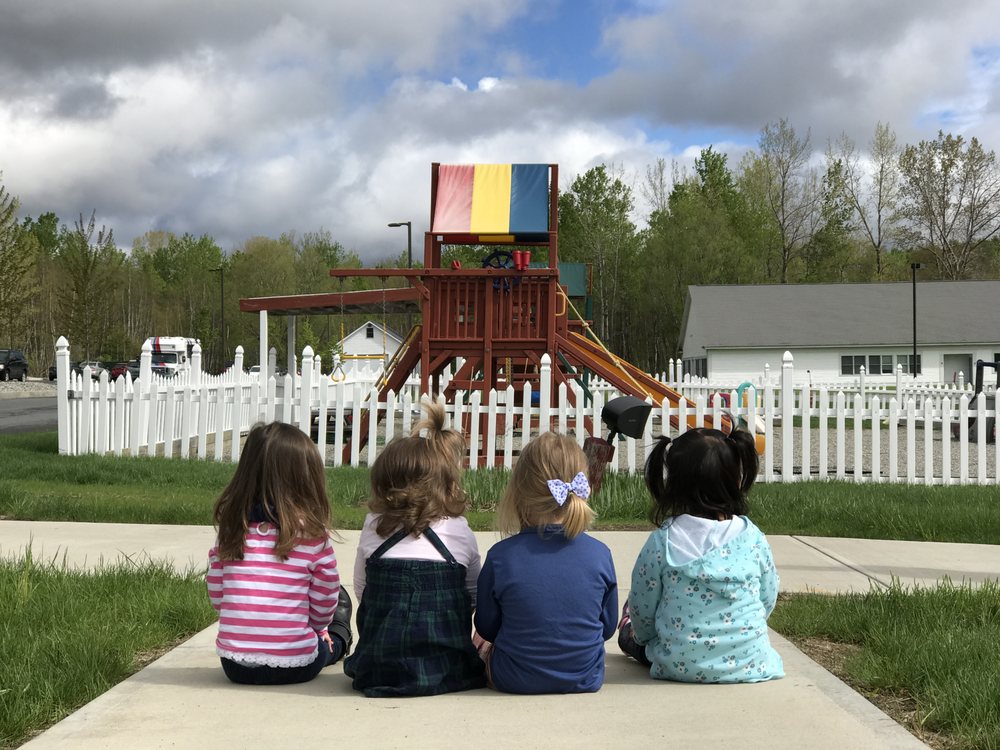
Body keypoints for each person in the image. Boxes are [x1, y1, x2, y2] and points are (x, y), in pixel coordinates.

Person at [617, 424, 784, 683]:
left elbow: (643, 609)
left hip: (678, 663)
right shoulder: (752, 537)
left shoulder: (664, 540)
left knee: (629, 631)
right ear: (737, 479)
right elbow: (767, 597)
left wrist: (641, 636)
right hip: (750, 662)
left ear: (674, 483)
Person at [344, 399, 485, 697]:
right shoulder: (458, 529)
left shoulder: (373, 525)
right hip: (448, 667)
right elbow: (474, 595)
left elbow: (361, 589)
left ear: (384, 481)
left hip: (378, 665)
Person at [206, 421, 352, 685]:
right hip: (295, 664)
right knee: (326, 645)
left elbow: (218, 597)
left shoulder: (231, 531)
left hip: (235, 664)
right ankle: (339, 638)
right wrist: (320, 629)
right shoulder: (312, 536)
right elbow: (323, 601)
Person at [474, 431, 618, 694]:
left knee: (480, 644)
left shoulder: (501, 556)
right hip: (585, 676)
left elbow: (486, 626)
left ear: (519, 491)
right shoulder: (600, 554)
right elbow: (607, 628)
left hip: (513, 677)